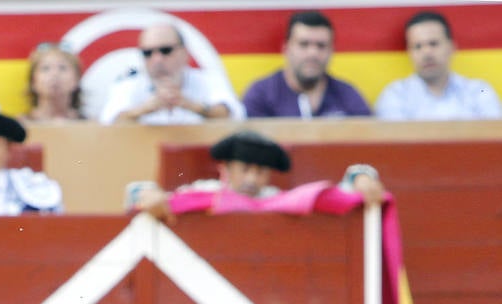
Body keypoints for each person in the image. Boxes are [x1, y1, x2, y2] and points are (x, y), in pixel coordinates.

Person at [126, 129, 384, 221]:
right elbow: (138, 195)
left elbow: (342, 194)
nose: (251, 180)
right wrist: (149, 195)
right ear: (225, 169)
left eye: (260, 172)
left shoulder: (276, 198)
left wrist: (361, 176)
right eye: (244, 169)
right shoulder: (204, 192)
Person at [100, 20, 243, 125]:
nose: (157, 60)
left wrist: (190, 105)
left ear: (185, 53)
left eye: (166, 51)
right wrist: (144, 109)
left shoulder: (209, 80)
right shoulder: (127, 85)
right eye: (148, 53)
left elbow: (233, 115)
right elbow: (108, 122)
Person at [242, 10, 372, 119]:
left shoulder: (348, 97)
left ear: (331, 51)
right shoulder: (261, 95)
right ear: (286, 48)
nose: (312, 53)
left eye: (321, 46)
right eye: (304, 44)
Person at [375, 10, 502, 121]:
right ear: (409, 53)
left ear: (451, 47)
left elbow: (495, 136)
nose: (426, 53)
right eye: (418, 46)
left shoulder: (478, 91)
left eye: (433, 44)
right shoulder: (395, 95)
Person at [20, 43, 84, 123]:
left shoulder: (91, 126)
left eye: (62, 68)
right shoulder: (18, 126)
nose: (54, 74)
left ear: (76, 79)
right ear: (33, 81)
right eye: (45, 68)